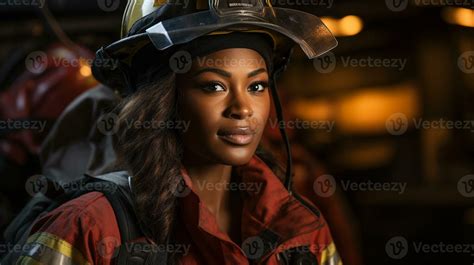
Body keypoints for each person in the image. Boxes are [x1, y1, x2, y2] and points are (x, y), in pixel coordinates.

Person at [16, 0, 341, 264]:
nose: (242, 108)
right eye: (213, 86)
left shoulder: (300, 233)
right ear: (162, 100)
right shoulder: (88, 229)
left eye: (256, 85)